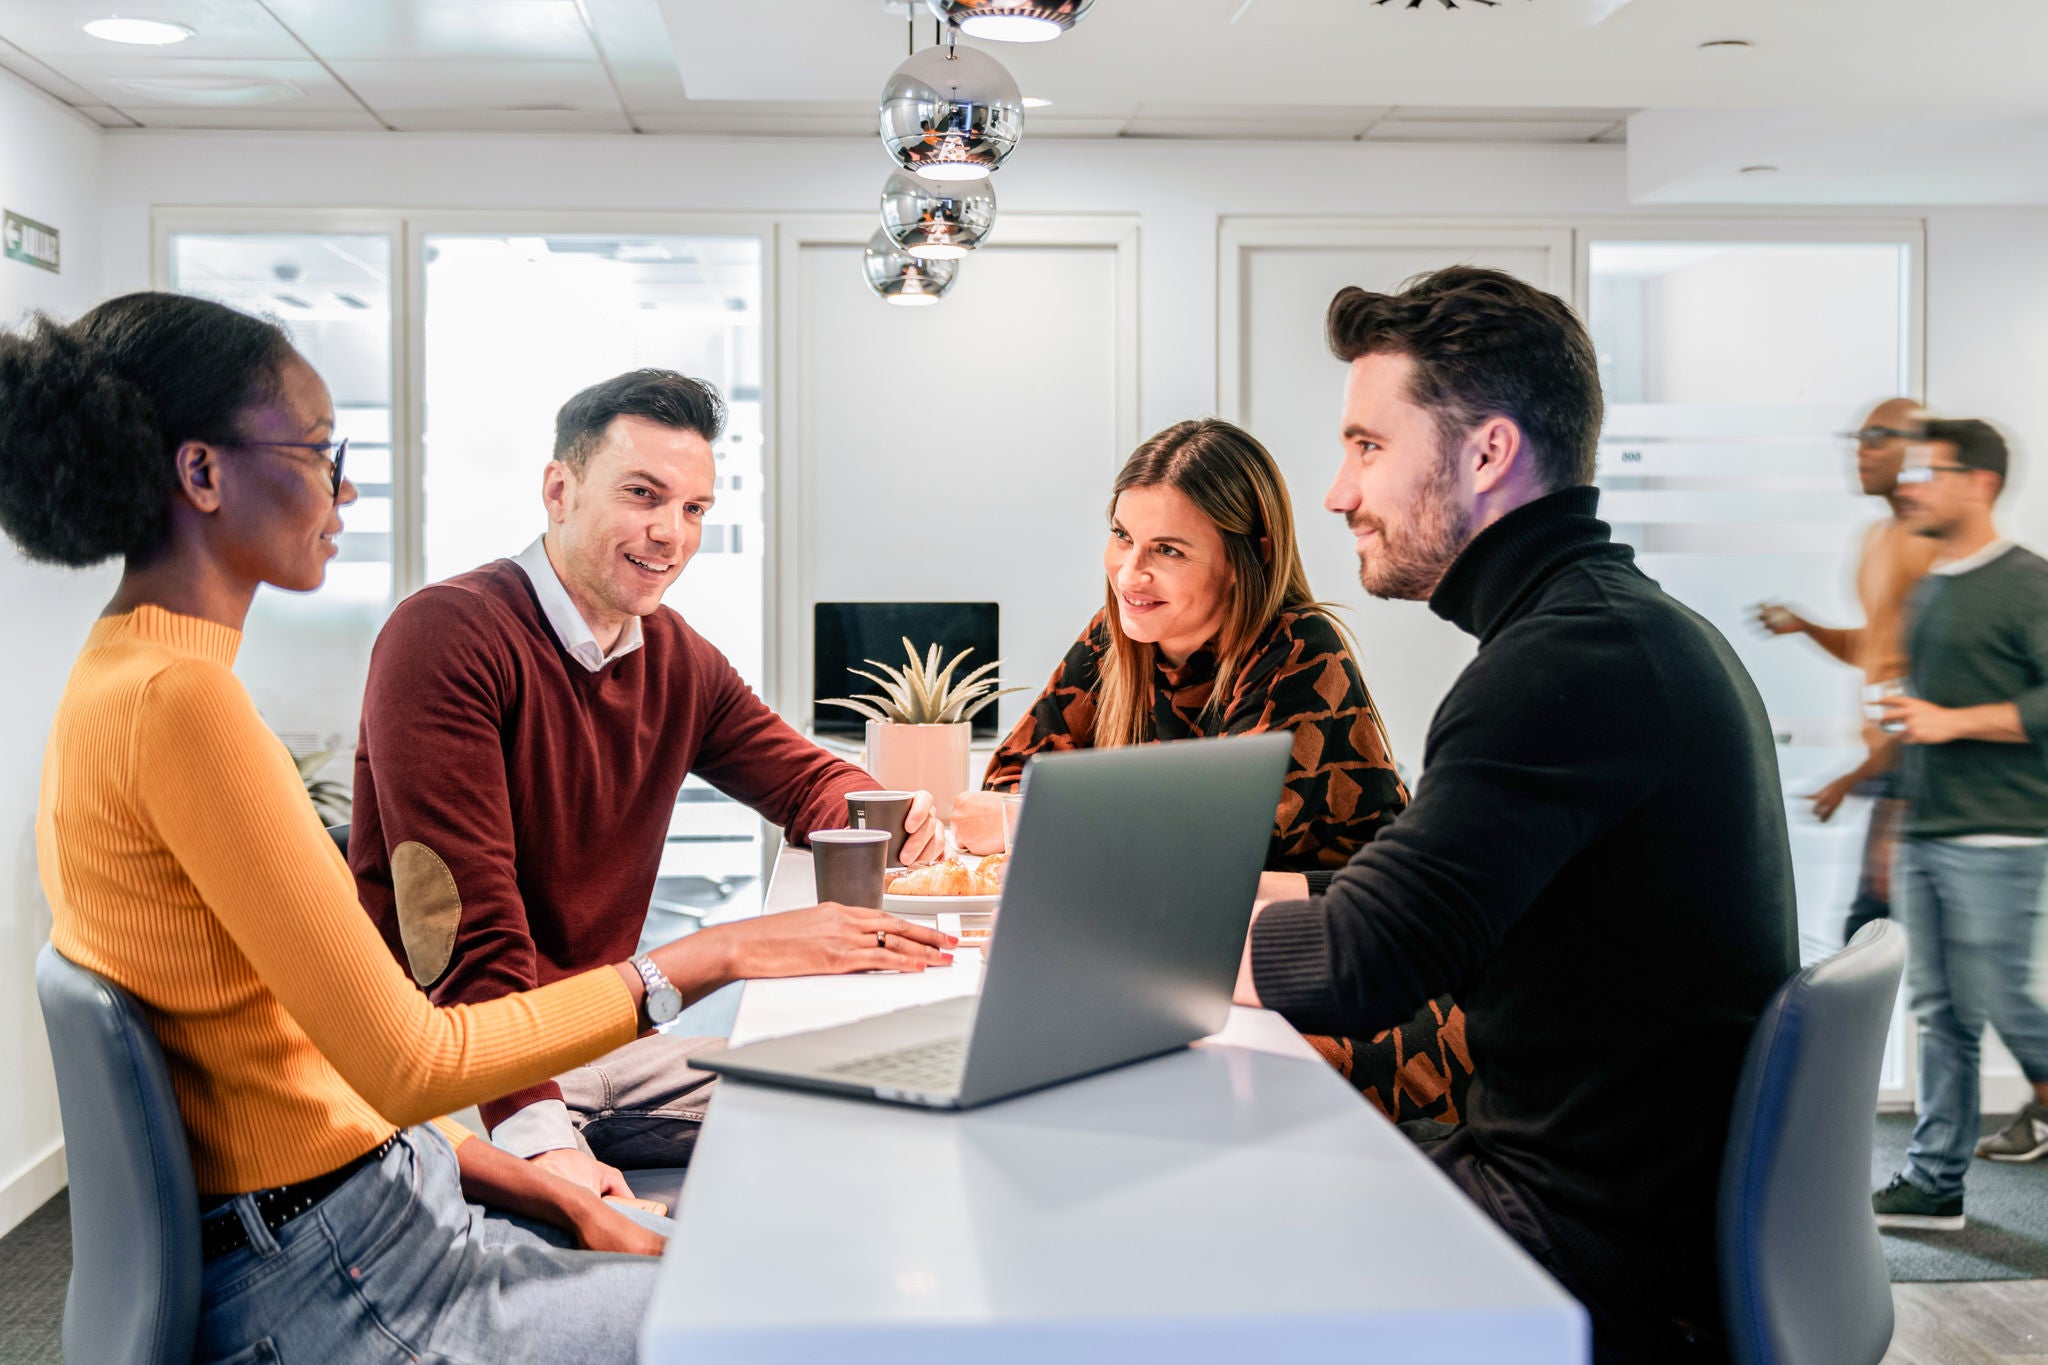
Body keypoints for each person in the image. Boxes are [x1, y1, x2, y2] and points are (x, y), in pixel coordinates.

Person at [0, 294, 953, 1365]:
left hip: (385, 1202)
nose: (345, 486)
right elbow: (410, 1058)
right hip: (341, 1269)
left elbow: (326, 1072)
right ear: (203, 474)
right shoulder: (186, 704)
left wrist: (559, 1195)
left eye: (693, 508)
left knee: (815, 1187)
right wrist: (709, 957)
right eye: (320, 451)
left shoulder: (132, 676)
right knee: (822, 1316)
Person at [1233, 267, 1797, 1363]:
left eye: (1365, 447)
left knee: (1207, 1224)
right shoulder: (1610, 633)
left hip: (1585, 1254)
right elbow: (1396, 890)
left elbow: (1360, 960)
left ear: (1486, 453)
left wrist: (1122, 942)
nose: (1338, 493)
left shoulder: (1566, 664)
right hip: (1609, 1210)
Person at [351, 368, 944, 1192]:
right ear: (560, 490)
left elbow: (803, 779)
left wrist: (896, 814)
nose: (671, 532)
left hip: (596, 1045)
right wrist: (538, 1139)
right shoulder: (446, 635)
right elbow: (456, 932)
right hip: (466, 1074)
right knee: (844, 1129)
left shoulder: (671, 653)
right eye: (642, 494)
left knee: (899, 1090)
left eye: (694, 509)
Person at [952, 418, 1470, 1128]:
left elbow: (1198, 869)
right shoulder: (1120, 636)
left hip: (1353, 987)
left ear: (1243, 556)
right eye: (1122, 536)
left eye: (1167, 549)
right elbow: (1010, 780)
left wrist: (1038, 831)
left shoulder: (1299, 653)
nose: (1130, 572)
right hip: (1208, 971)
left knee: (1141, 1095)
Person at [1869, 419, 2048, 1230]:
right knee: (1942, 1012)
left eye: (1933, 473)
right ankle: (1935, 1180)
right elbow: (1923, 719)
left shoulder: (2028, 583)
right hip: (1932, 832)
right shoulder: (1935, 584)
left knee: (2000, 996)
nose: (1916, 487)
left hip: (1999, 833)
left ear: (1979, 483)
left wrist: (1953, 721)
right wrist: (1895, 821)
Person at [1756, 398, 1937, 941]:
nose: (1862, 450)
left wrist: (1856, 780)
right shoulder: (1878, 539)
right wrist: (1809, 629)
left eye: (1879, 436)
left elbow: (1932, 682)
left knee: (1874, 933)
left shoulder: (1930, 546)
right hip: (1890, 765)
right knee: (1873, 936)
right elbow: (1876, 650)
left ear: (1919, 449)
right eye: (1857, 437)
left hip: (1919, 770)